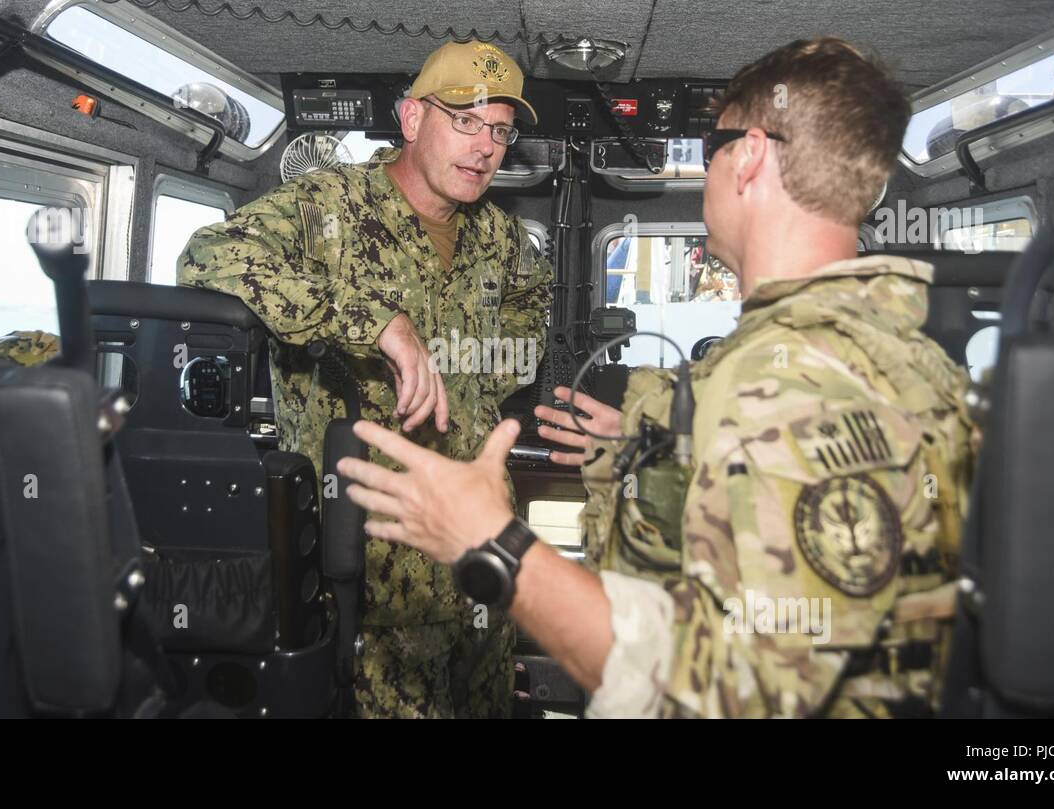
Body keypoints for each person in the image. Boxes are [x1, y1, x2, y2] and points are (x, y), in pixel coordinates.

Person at [335, 37, 976, 718]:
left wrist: (490, 543)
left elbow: (736, 692)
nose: (707, 174)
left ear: (750, 156)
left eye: (712, 150)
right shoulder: (876, 348)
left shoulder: (800, 379)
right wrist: (659, 439)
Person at [177, 41, 553, 718]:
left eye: (499, 129)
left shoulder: (498, 236)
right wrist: (375, 321)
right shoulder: (331, 206)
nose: (485, 146)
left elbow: (532, 305)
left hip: (480, 564)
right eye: (465, 121)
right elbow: (210, 256)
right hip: (375, 586)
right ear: (411, 119)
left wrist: (481, 380)